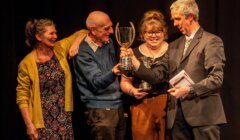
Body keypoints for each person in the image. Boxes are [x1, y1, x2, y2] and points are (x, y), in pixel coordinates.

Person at [16, 18, 87, 140]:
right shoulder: (26, 63)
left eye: (55, 32)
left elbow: (83, 32)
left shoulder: (59, 49)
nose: (55, 36)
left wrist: (75, 44)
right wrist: (29, 125)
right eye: (51, 33)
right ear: (39, 36)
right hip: (42, 121)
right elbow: (22, 97)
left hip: (63, 117)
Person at [167, 0, 227, 139]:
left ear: (191, 16)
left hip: (203, 115)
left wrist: (189, 89)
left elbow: (216, 79)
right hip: (177, 117)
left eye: (177, 18)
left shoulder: (211, 41)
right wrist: (134, 63)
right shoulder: (174, 45)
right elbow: (161, 74)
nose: (174, 24)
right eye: (173, 19)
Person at [72, 11, 126, 140]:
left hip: (117, 105)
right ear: (93, 30)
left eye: (111, 26)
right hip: (99, 110)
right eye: (106, 28)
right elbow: (96, 82)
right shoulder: (83, 52)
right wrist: (114, 71)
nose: (112, 31)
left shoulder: (108, 42)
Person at [120, 10, 169, 140]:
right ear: (142, 34)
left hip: (167, 105)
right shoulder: (133, 53)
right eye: (149, 32)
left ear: (164, 33)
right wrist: (132, 91)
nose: (154, 36)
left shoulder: (173, 51)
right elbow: (125, 81)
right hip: (141, 106)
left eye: (158, 31)